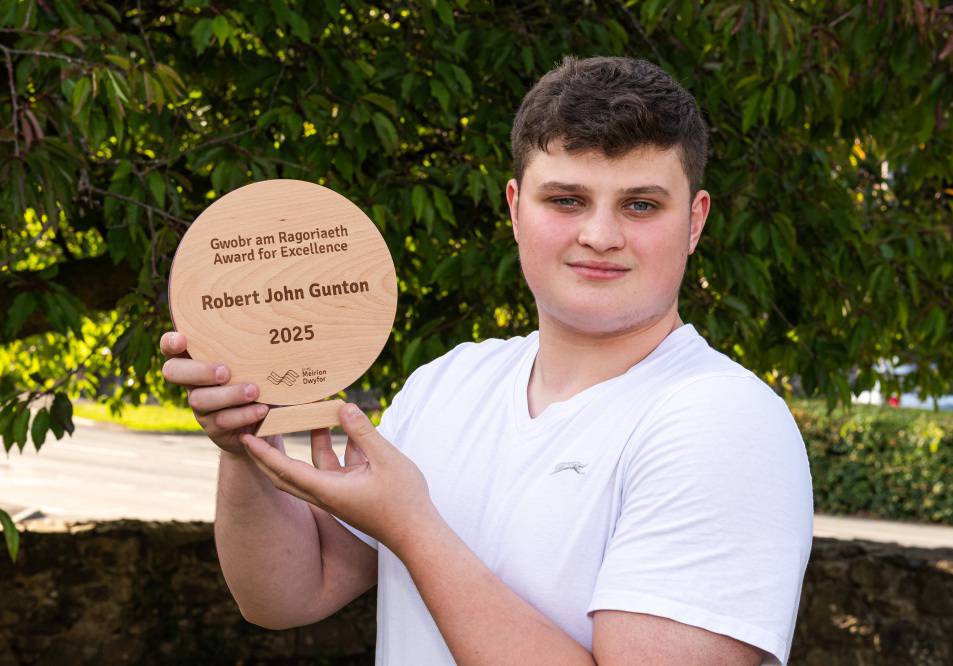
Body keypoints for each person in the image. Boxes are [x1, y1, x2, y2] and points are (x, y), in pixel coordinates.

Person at [160, 56, 813, 665]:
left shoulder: (725, 422)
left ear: (695, 221)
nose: (600, 236)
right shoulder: (449, 382)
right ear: (514, 208)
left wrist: (413, 527)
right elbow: (287, 596)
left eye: (640, 205)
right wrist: (241, 447)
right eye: (566, 200)